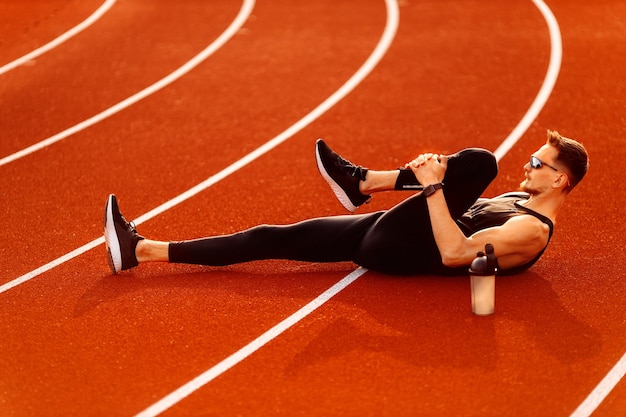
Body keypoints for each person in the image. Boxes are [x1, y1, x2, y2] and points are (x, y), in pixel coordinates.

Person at [104, 130, 588, 276]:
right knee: (273, 237)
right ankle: (143, 250)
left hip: (399, 251)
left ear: (561, 182)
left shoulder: (531, 232)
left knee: (480, 161)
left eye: (538, 164)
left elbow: (456, 254)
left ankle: (362, 182)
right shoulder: (512, 200)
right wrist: (431, 186)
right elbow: (443, 214)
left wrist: (434, 187)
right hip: (383, 232)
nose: (527, 166)